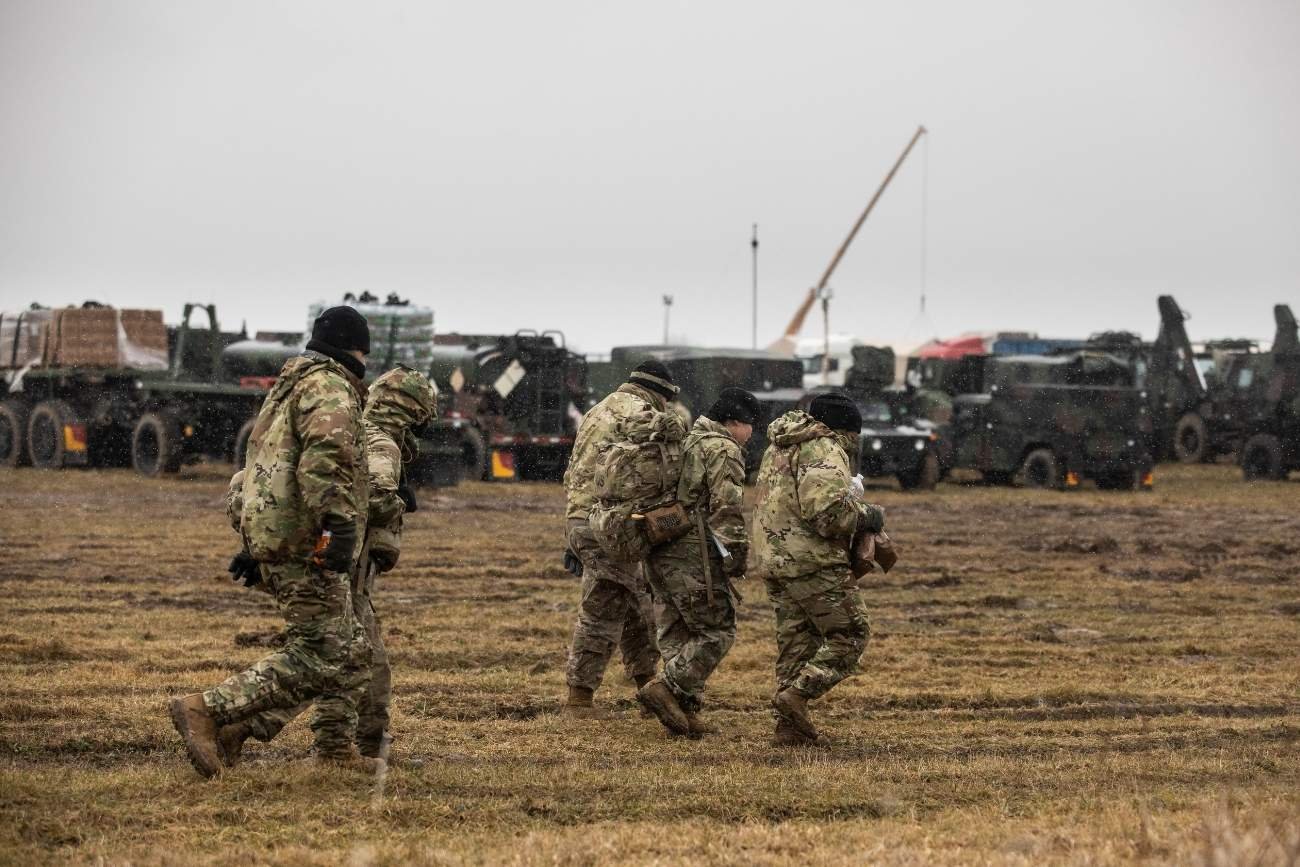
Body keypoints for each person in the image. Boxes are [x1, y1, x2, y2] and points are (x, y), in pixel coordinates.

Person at [168, 306, 373, 778]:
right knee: (320, 653)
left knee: (352, 652)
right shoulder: (329, 387)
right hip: (305, 540)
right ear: (356, 348)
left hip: (281, 536)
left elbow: (258, 469)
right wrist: (338, 524)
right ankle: (209, 709)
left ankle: (307, 744)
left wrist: (252, 539)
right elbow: (325, 460)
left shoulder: (288, 388)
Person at [218, 366, 438, 767]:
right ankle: (255, 726)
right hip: (345, 565)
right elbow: (374, 496)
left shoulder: (344, 426)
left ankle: (356, 746)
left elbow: (252, 481)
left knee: (347, 660)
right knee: (347, 660)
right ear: (413, 413)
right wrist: (398, 502)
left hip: (327, 559)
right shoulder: (380, 443)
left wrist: (254, 545)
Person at [749, 391, 885, 746]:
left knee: (797, 642)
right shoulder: (824, 448)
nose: (852, 444)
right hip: (812, 561)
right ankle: (797, 695)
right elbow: (828, 515)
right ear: (844, 430)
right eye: (853, 436)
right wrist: (869, 515)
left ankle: (789, 728)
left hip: (775, 558)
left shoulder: (781, 446)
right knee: (851, 633)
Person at [559, 360, 681, 718]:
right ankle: (579, 700)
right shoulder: (643, 415)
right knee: (604, 606)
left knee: (635, 604)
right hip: (612, 525)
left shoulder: (597, 410)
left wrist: (576, 532)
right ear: (661, 393)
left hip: (582, 520)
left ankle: (649, 688)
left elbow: (576, 471)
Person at [639, 387, 760, 737]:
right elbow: (727, 507)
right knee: (717, 630)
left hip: (659, 541)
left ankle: (683, 714)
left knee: (677, 631)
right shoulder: (722, 448)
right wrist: (736, 556)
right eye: (750, 425)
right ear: (734, 422)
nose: (751, 434)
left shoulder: (685, 441)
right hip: (693, 551)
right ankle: (665, 688)